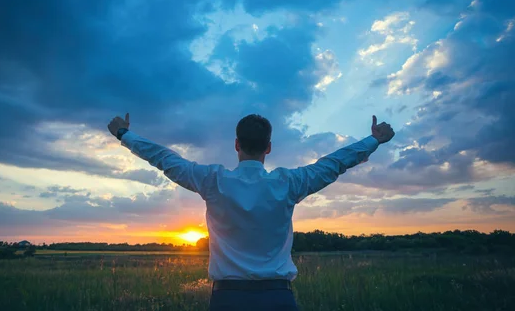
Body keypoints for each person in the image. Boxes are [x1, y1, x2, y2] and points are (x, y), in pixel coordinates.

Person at [108, 113, 395, 310]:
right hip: (277, 299)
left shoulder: (213, 181)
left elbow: (164, 159)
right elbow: (333, 163)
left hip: (227, 301)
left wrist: (124, 133)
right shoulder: (289, 183)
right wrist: (374, 140)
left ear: (236, 145)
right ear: (268, 148)